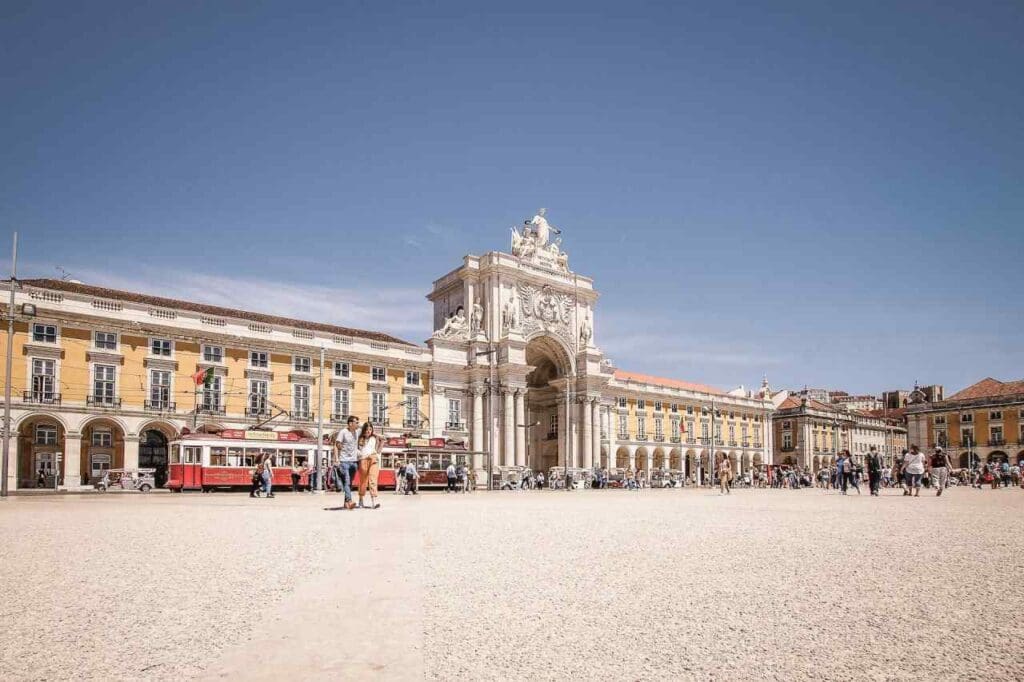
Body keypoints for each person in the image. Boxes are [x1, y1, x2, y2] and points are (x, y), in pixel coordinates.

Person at [334, 416, 360, 509]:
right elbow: (336, 445)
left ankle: (346, 503)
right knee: (347, 481)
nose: (358, 424)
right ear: (350, 423)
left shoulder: (357, 432)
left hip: (354, 462)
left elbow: (367, 430)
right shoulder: (343, 432)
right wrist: (337, 459)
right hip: (344, 461)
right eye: (356, 422)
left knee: (349, 483)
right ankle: (349, 501)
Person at [356, 422, 381, 509]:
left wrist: (378, 437)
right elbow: (356, 449)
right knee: (363, 481)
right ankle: (361, 499)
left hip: (373, 459)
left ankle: (374, 501)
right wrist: (359, 455)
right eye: (366, 429)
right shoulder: (359, 438)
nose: (368, 431)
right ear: (364, 430)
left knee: (373, 479)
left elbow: (378, 450)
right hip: (363, 459)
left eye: (370, 429)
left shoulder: (374, 438)